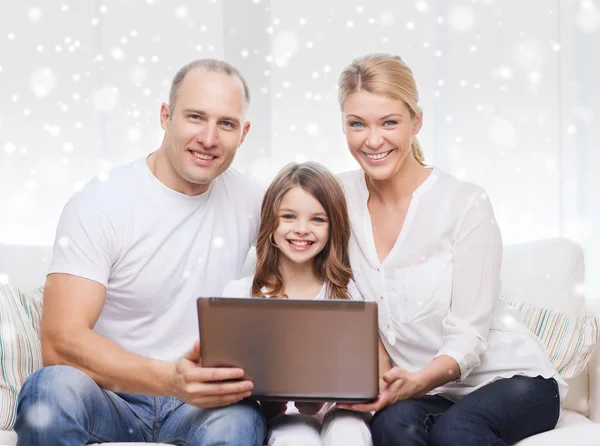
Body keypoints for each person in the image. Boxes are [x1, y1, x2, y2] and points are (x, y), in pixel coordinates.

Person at [15, 59, 267, 445]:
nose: (209, 137)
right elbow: (58, 343)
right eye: (196, 117)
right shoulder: (101, 202)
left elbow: (313, 258)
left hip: (200, 405)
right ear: (165, 116)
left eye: (226, 124)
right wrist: (169, 379)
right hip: (110, 394)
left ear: (243, 133)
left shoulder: (253, 201)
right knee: (49, 389)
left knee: (240, 420)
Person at [335, 53, 567, 446]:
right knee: (391, 426)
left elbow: (468, 335)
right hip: (429, 392)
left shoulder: (464, 204)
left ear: (417, 122)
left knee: (456, 431)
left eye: (389, 122)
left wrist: (416, 381)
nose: (372, 140)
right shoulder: (336, 199)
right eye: (358, 124)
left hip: (511, 379)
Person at [222, 161, 390, 446]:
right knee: (296, 436)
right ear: (270, 223)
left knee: (348, 431)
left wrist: (331, 395)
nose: (302, 230)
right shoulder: (241, 295)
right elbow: (224, 379)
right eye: (288, 216)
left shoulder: (350, 293)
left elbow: (381, 375)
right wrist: (269, 401)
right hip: (279, 417)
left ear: (333, 226)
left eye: (317, 219)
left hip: (341, 411)